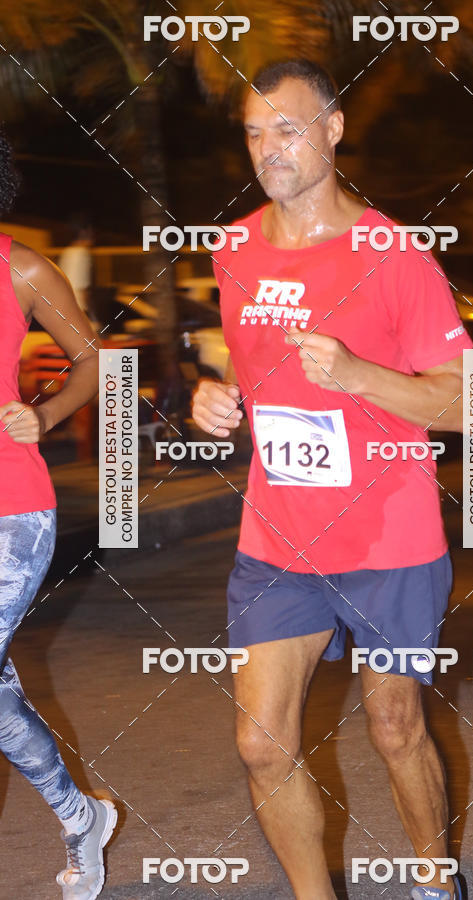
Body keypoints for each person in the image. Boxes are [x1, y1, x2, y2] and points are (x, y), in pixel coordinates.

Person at [192, 59, 472, 900]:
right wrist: (220, 399)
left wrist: (358, 376)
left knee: (394, 725)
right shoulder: (233, 249)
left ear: (335, 128)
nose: (268, 149)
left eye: (288, 128)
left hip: (390, 538)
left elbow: (470, 402)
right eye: (254, 132)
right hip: (278, 537)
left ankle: (434, 880)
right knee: (260, 742)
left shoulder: (394, 254)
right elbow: (249, 363)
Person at [0, 128, 117, 898]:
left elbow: (98, 361)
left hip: (11, 510)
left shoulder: (21, 268)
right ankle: (81, 816)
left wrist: (43, 415)